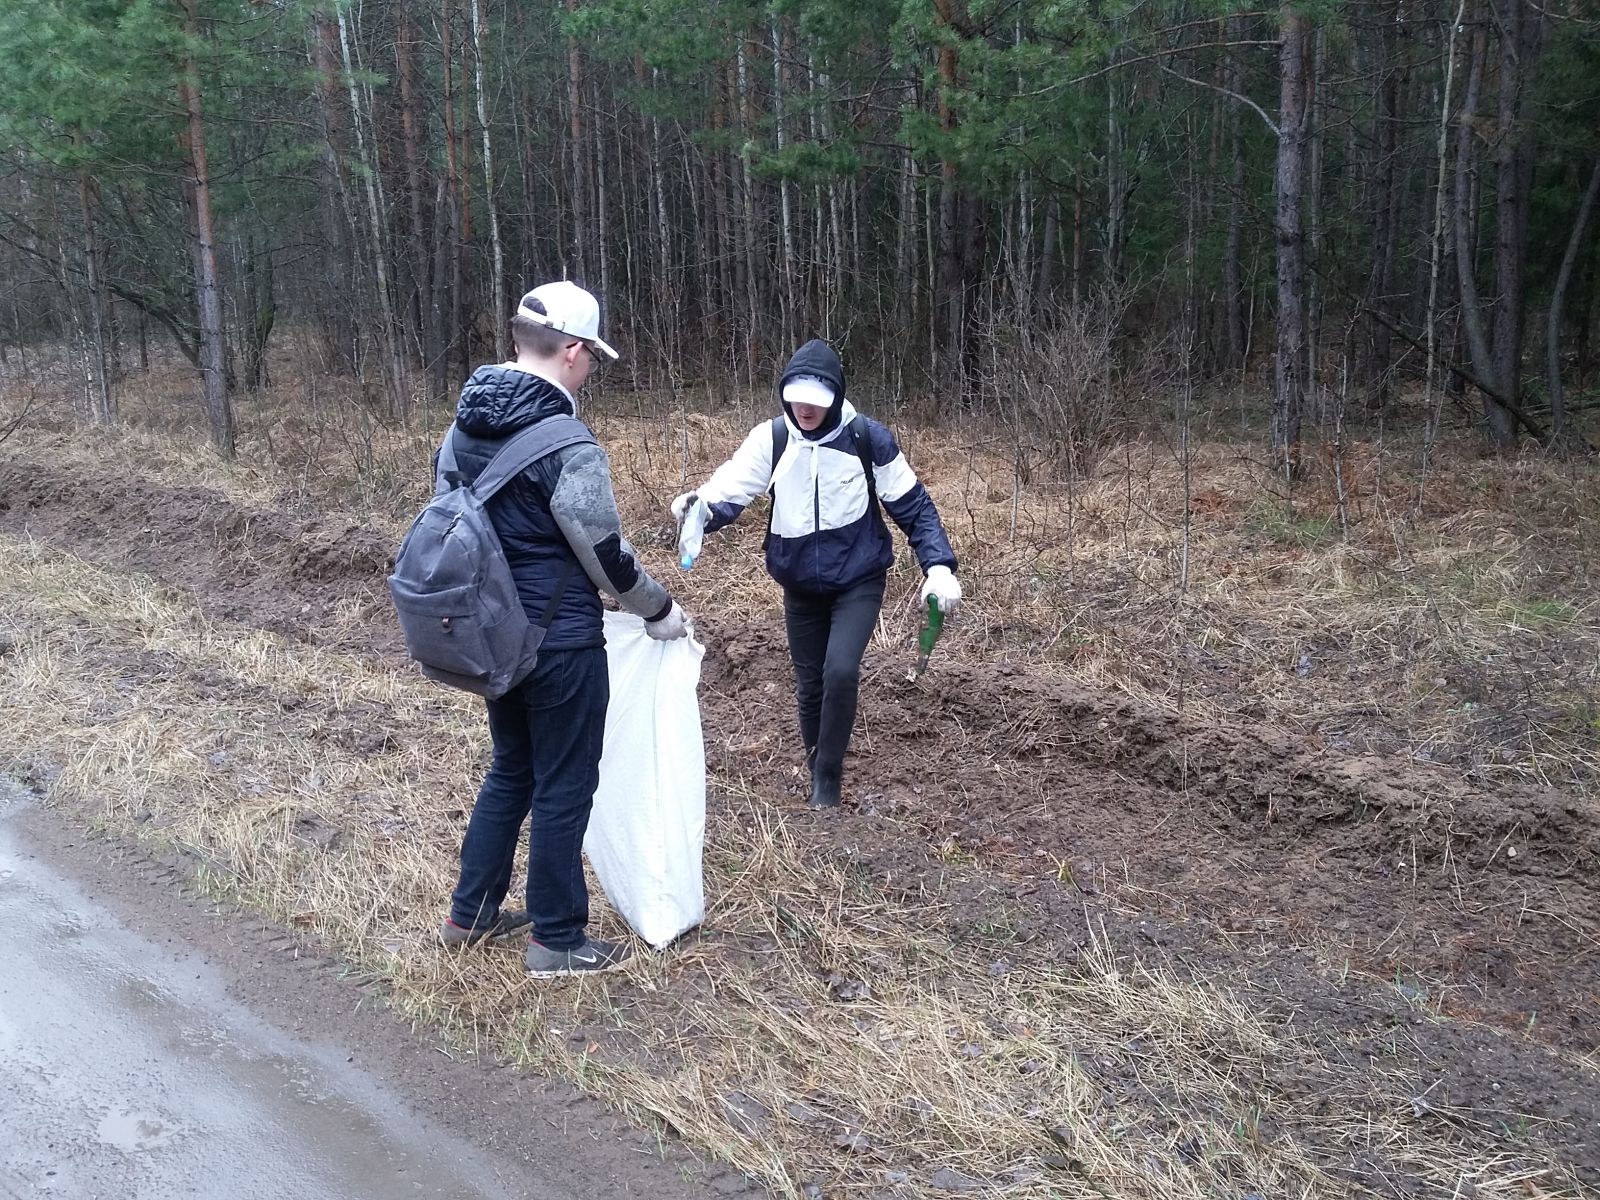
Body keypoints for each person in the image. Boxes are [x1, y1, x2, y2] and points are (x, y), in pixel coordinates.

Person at [437, 280, 689, 977]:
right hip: (559, 639)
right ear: (572, 350)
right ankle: (557, 939)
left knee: (511, 769)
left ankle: (469, 915)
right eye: (592, 358)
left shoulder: (462, 426)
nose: (591, 371)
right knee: (564, 783)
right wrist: (657, 608)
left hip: (491, 633)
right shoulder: (567, 440)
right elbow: (602, 550)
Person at [671, 339, 960, 809]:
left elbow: (914, 506)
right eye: (796, 397)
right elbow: (729, 489)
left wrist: (939, 566)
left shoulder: (867, 438)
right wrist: (697, 509)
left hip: (859, 578)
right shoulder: (772, 439)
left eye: (816, 400)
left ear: (836, 396)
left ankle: (828, 780)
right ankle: (815, 770)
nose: (804, 409)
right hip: (800, 582)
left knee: (839, 671)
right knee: (810, 686)